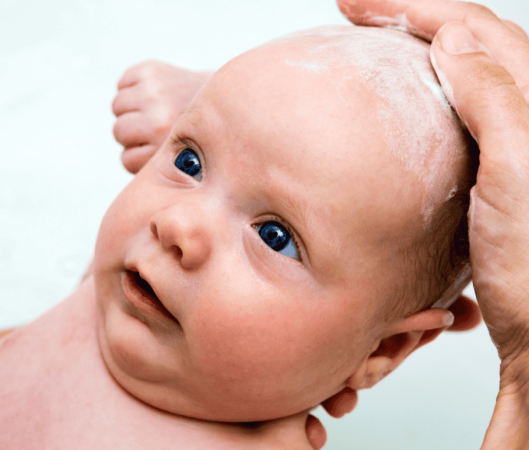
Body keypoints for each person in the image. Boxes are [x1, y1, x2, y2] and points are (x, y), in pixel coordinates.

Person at [0, 25, 482, 449]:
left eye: (274, 236)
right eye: (191, 161)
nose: (176, 226)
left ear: (380, 351)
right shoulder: (126, 282)